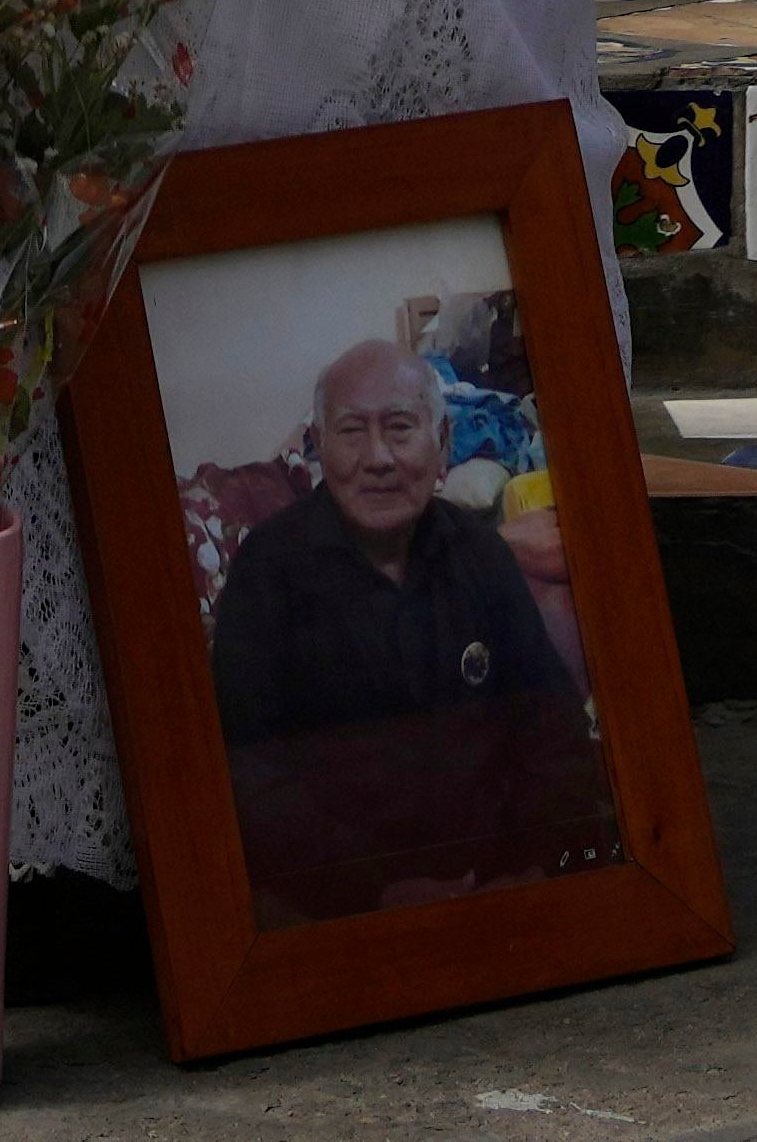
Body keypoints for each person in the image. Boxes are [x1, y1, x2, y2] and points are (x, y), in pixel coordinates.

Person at [197, 333, 616, 920]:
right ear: (319, 446)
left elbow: (552, 726)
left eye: (399, 427)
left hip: (502, 887)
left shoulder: (482, 555)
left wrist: (533, 867)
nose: (378, 458)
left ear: (442, 443)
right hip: (337, 906)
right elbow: (249, 780)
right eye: (351, 431)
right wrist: (373, 891)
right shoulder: (268, 575)